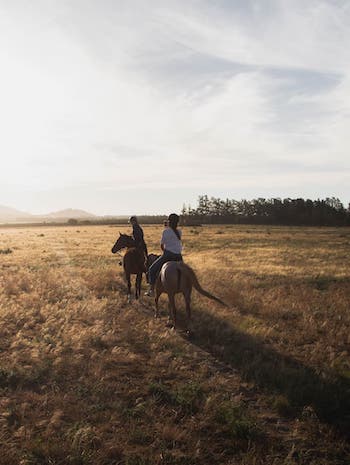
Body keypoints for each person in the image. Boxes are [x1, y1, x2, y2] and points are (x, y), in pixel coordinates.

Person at [145, 213, 183, 296]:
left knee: (152, 269)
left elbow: (162, 246)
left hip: (168, 255)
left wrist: (165, 252)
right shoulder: (179, 231)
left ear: (169, 221)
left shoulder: (165, 231)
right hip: (179, 256)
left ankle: (151, 290)